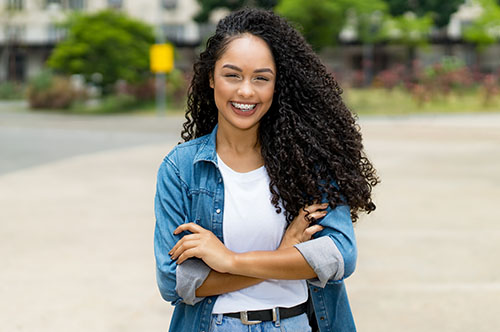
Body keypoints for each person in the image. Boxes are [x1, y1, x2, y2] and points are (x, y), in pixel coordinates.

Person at [154, 8, 379, 332]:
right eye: (232, 75)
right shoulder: (181, 169)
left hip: (295, 323)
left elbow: (338, 256)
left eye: (261, 78)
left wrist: (230, 261)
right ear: (210, 77)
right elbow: (174, 281)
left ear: (277, 85)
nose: (246, 91)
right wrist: (285, 256)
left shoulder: (310, 161)